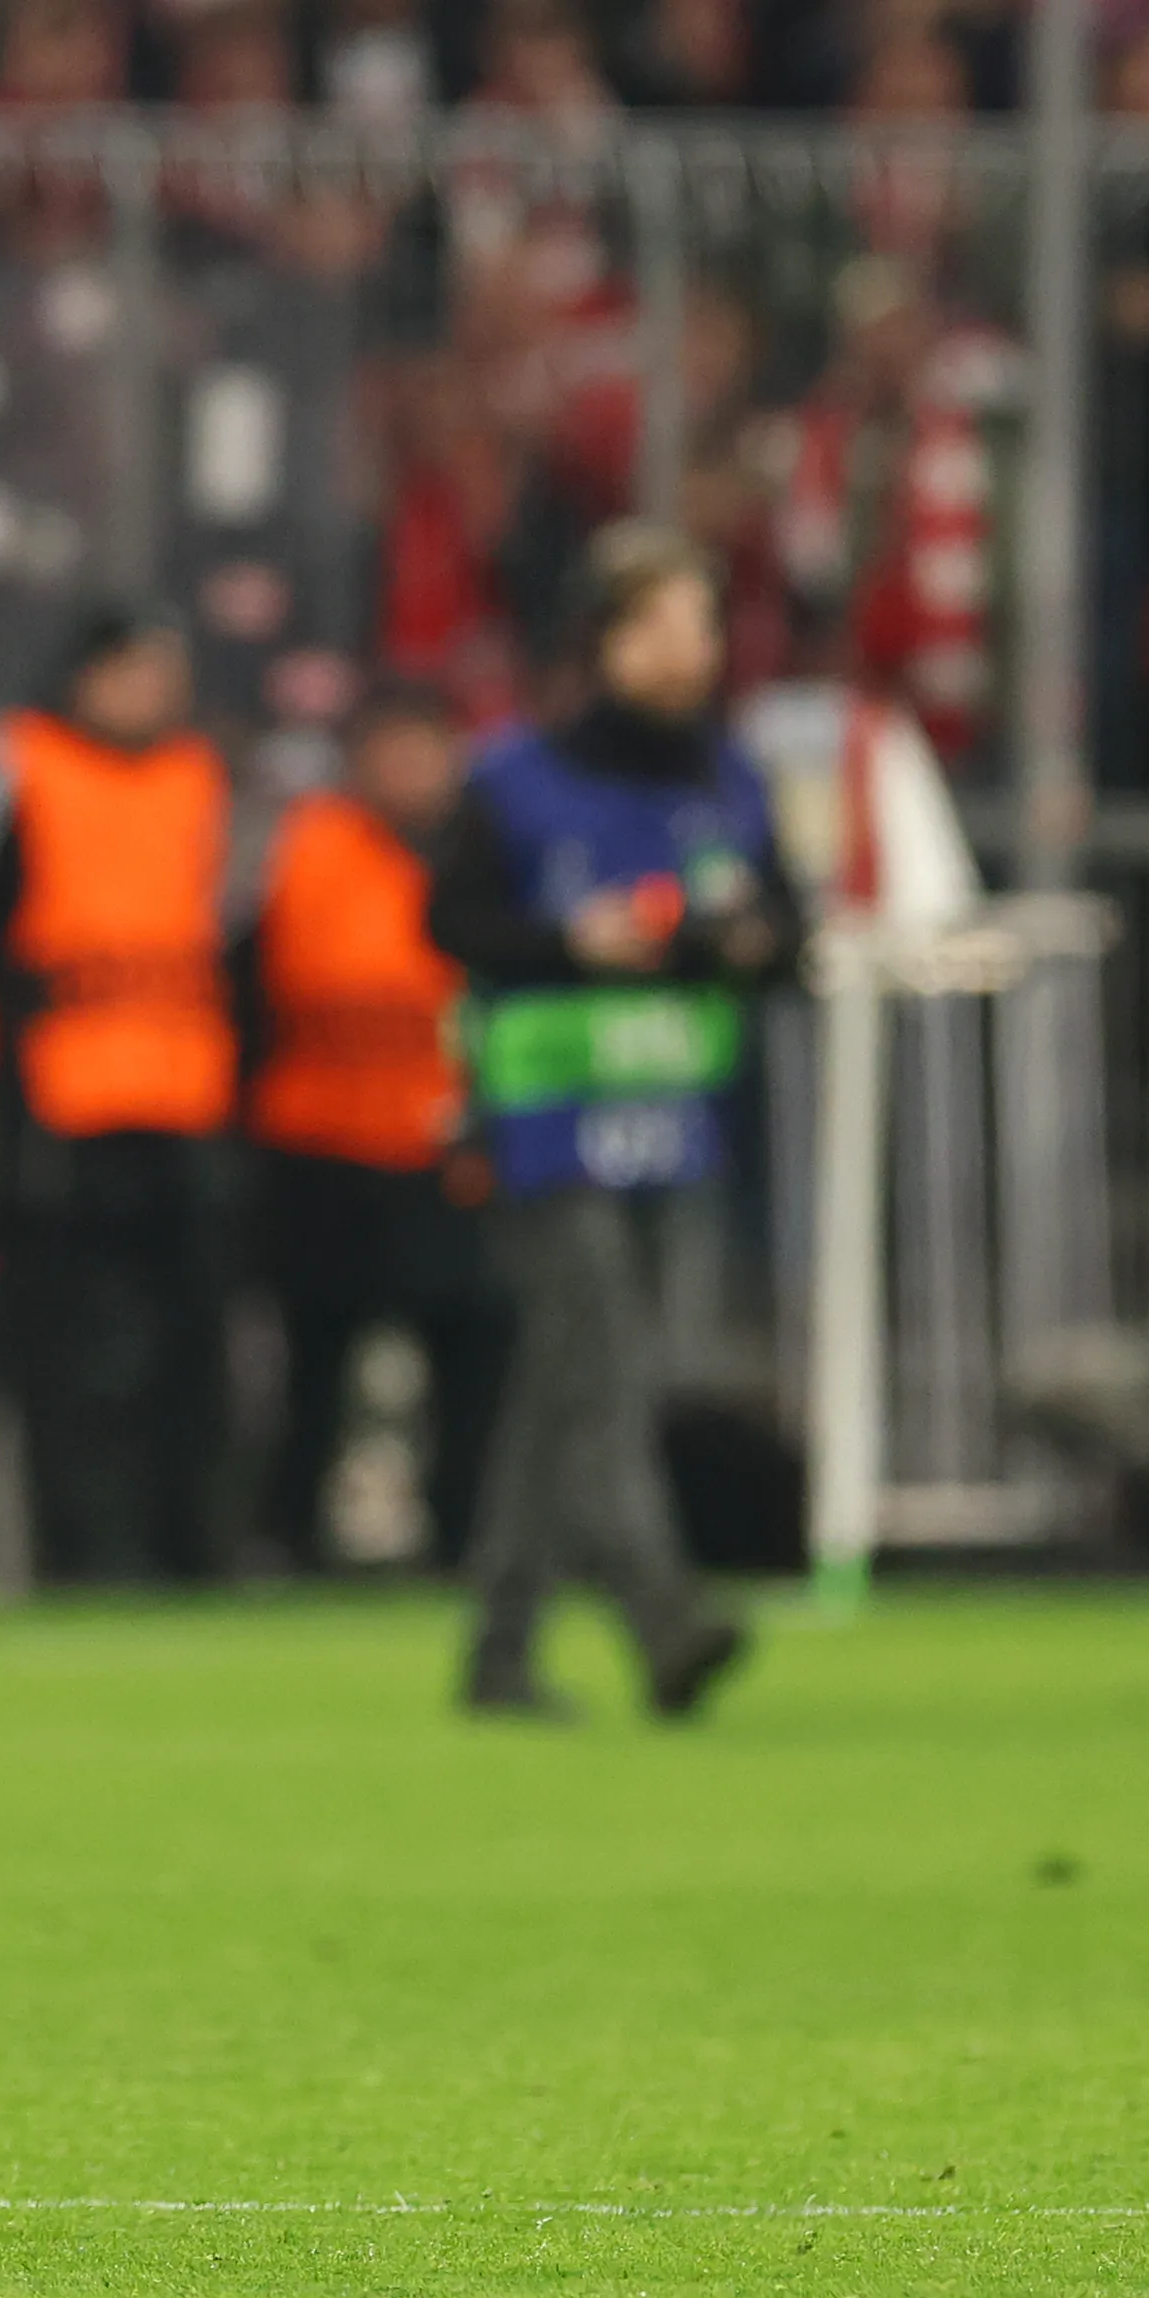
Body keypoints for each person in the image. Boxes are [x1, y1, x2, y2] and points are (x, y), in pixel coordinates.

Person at [427, 522, 786, 1719]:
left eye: (705, 625)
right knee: (605, 1370)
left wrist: (740, 944)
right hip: (541, 1118)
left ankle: (497, 1651)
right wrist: (567, 947)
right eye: (672, 626)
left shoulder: (728, 779)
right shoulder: (515, 779)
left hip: (668, 1114)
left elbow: (784, 927)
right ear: (607, 642)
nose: (697, 652)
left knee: (562, 1389)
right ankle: (661, 1613)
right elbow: (454, 922)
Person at [0, 604, 242, 1582]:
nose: (156, 692)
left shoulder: (198, 776)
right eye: (138, 670)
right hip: (57, 1108)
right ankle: (86, 1550)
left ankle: (192, 1547)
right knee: (75, 1355)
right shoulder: (15, 764)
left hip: (183, 1101)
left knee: (190, 1350)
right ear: (86, 674)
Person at [241, 683, 512, 1569]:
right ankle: (288, 1539)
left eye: (421, 749)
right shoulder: (314, 846)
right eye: (388, 749)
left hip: (447, 1142)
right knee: (316, 1358)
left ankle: (459, 1538)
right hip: (325, 1140)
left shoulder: (482, 850)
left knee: (467, 1355)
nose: (405, 769)